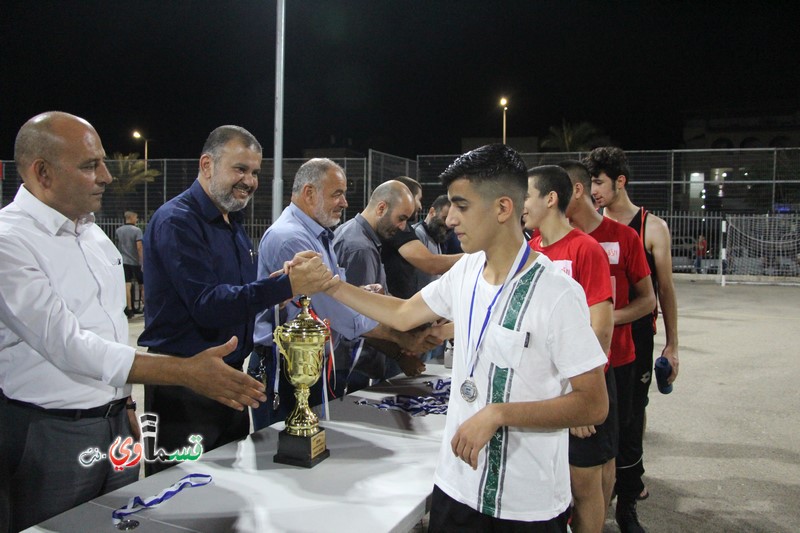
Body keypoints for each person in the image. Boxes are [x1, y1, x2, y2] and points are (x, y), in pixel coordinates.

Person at [0, 112, 270, 531]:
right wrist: (184, 373)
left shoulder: (92, 236)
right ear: (42, 172)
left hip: (116, 422)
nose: (106, 176)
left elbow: (109, 329)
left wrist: (125, 401)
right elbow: (68, 344)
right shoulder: (8, 242)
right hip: (50, 431)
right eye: (91, 166)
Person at [329, 144, 609, 531]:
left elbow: (593, 404)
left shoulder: (557, 292)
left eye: (462, 205)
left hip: (524, 503)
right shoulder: (467, 271)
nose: (450, 216)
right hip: (455, 487)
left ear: (502, 208)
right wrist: (330, 286)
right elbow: (402, 312)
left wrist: (498, 414)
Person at [139, 126, 335, 476]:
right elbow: (208, 304)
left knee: (225, 499)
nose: (250, 180)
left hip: (228, 383)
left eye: (255, 172)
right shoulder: (178, 221)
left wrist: (277, 286)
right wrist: (285, 286)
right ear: (207, 165)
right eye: (240, 169)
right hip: (185, 389)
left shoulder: (231, 222)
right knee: (180, 504)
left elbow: (236, 298)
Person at [249, 159, 440, 430]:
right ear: (309, 193)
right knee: (283, 457)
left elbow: (334, 296)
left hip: (309, 364)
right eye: (337, 193)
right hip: (288, 368)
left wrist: (362, 297)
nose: (345, 202)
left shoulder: (315, 235)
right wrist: (400, 336)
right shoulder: (291, 239)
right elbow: (335, 313)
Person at [585, 146, 679, 533]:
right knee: (594, 418)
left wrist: (673, 346)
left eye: (599, 182)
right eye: (590, 182)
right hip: (593, 340)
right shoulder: (587, 229)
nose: (593, 190)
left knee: (631, 418)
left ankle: (627, 502)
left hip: (635, 338)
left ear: (619, 182)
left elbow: (665, 292)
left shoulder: (649, 228)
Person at [523, 165, 615, 533]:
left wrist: (581, 397)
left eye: (527, 195)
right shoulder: (529, 249)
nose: (521, 204)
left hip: (577, 394)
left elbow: (601, 329)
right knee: (549, 486)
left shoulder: (586, 249)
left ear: (550, 198)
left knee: (584, 488)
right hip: (544, 396)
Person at [332, 180, 433, 381]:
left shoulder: (357, 235)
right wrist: (399, 354)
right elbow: (362, 320)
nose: (403, 227)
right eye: (401, 218)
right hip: (355, 365)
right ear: (381, 208)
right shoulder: (360, 248)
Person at [381, 176, 462, 299]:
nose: (420, 205)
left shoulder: (404, 227)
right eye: (419, 198)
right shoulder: (397, 228)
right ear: (406, 196)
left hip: (401, 305)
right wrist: (477, 257)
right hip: (396, 306)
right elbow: (431, 264)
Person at [115, 210, 144, 318]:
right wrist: (142, 261)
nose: (136, 220)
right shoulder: (137, 230)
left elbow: (117, 245)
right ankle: (144, 307)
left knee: (127, 285)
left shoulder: (118, 231)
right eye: (136, 218)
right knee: (143, 285)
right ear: (132, 218)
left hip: (124, 261)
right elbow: (139, 246)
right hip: (135, 261)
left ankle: (129, 308)